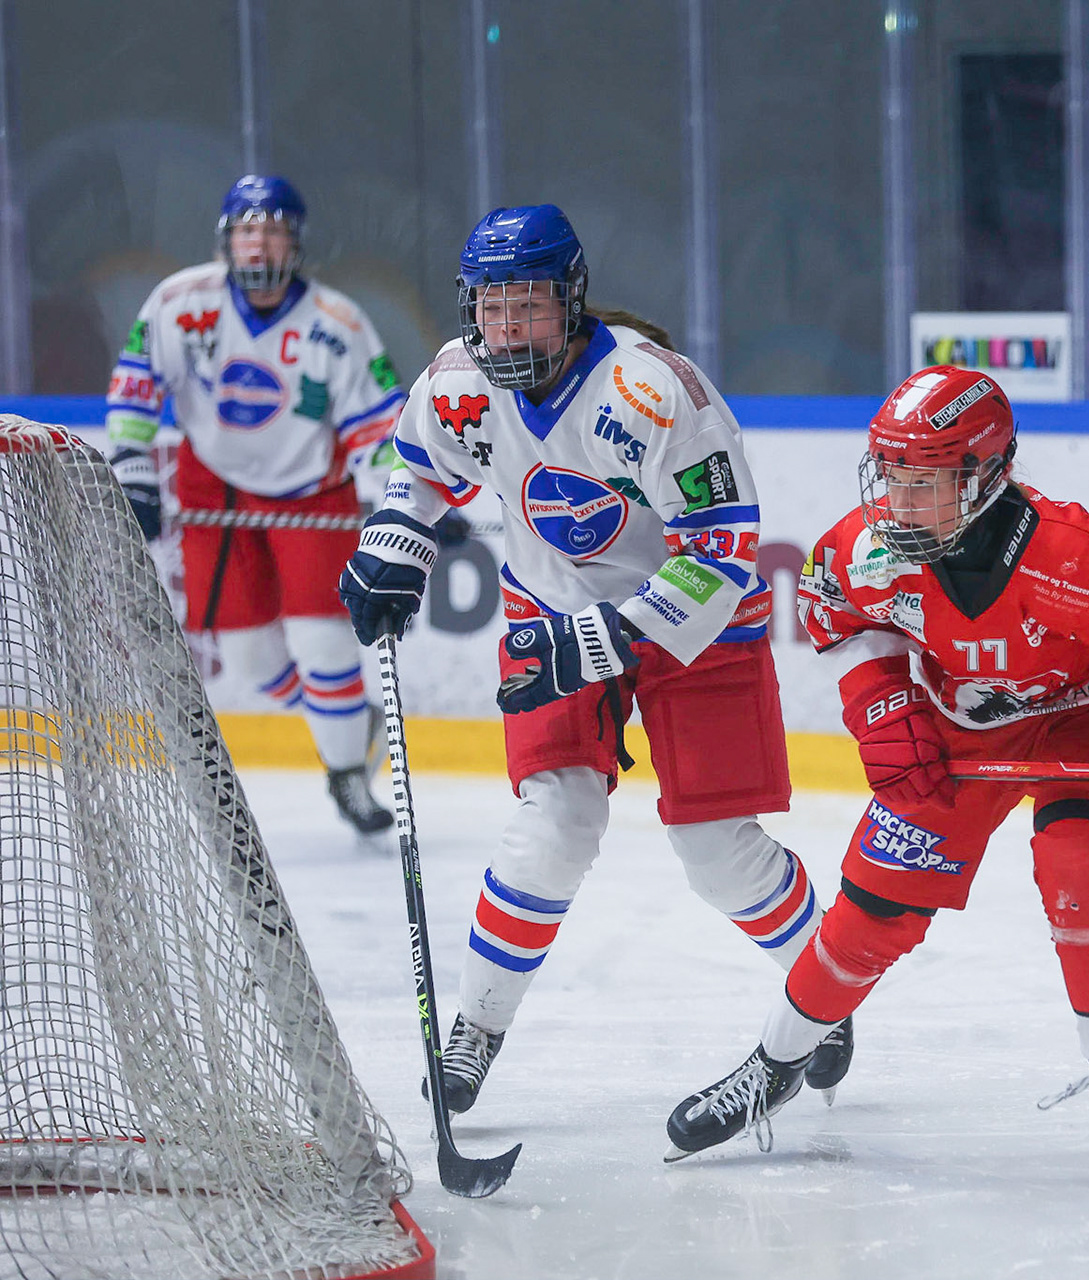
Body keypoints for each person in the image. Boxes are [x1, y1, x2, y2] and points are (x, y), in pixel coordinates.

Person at [664, 366, 1089, 1168]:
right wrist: (882, 704)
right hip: (967, 723)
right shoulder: (868, 551)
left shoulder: (1081, 562)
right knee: (871, 911)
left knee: (1080, 872)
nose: (898, 502)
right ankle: (775, 1065)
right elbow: (837, 611)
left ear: (986, 476)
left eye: (924, 483)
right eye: (890, 477)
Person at [338, 204, 848, 1112]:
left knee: (716, 852)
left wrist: (610, 637)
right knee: (555, 826)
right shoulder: (458, 384)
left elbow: (723, 548)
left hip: (699, 625)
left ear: (571, 300)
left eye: (528, 306)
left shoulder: (655, 393)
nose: (507, 329)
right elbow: (418, 471)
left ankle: (822, 992)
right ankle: (476, 1029)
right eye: (491, 308)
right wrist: (394, 540)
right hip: (553, 608)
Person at [105, 174, 406, 834]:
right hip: (214, 487)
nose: (258, 243)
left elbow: (380, 427)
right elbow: (135, 385)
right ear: (226, 239)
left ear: (295, 242)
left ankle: (346, 773)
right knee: (248, 657)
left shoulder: (337, 323)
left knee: (324, 641)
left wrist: (398, 502)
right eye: (247, 229)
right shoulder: (179, 302)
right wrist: (133, 468)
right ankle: (346, 721)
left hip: (313, 491)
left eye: (272, 230)